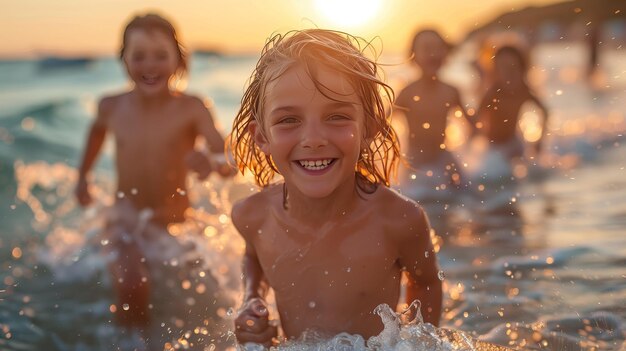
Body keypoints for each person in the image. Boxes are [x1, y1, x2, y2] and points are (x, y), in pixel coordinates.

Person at [228, 29, 442, 347]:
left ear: (368, 127)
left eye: (337, 116)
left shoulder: (398, 220)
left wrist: (415, 341)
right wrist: (250, 300)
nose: (313, 139)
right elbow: (255, 257)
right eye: (288, 120)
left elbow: (425, 283)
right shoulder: (253, 215)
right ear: (262, 138)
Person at [74, 13, 232, 333]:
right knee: (133, 283)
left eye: (161, 55)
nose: (150, 65)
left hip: (174, 222)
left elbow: (227, 156)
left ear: (179, 58)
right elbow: (95, 135)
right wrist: (82, 176)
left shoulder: (191, 108)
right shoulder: (111, 106)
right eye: (139, 56)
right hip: (126, 216)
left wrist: (212, 162)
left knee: (209, 293)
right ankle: (132, 339)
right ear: (123, 59)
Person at [394, 29, 474, 188]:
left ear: (446, 54)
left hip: (443, 157)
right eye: (426, 49)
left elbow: (474, 125)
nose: (433, 54)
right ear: (413, 56)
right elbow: (382, 123)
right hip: (415, 160)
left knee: (468, 193)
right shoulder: (407, 93)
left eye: (438, 48)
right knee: (416, 198)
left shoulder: (451, 91)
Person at [475, 45, 549, 160]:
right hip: (494, 146)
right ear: (496, 72)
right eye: (503, 69)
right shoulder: (494, 92)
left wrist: (540, 141)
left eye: (513, 69)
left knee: (532, 169)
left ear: (522, 70)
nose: (508, 75)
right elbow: (476, 117)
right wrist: (477, 135)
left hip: (514, 142)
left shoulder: (524, 91)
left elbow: (544, 111)